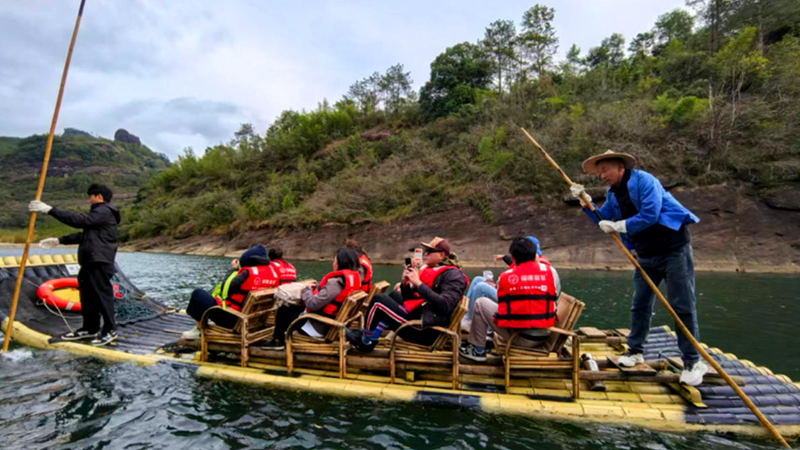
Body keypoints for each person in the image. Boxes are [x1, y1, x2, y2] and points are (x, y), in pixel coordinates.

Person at [570, 149, 706, 386]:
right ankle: (634, 351)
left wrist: (619, 225)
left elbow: (651, 214)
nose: (602, 176)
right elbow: (603, 219)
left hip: (674, 250)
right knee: (640, 304)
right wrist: (585, 203)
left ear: (620, 167)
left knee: (682, 305)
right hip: (645, 255)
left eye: (605, 170)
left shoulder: (645, 181)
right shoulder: (613, 193)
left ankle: (693, 361)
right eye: (599, 172)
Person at [28, 184, 121, 346]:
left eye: (90, 196)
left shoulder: (104, 211)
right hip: (89, 261)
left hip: (99, 260)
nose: (89, 200)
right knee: (87, 296)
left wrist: (50, 210)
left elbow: (78, 221)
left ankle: (110, 330)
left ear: (99, 196)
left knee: (102, 295)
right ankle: (90, 328)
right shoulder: (99, 216)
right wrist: (59, 240)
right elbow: (84, 235)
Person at [346, 237, 468, 351]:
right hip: (423, 316)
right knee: (394, 295)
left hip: (425, 330)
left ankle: (365, 342)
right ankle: (373, 336)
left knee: (378, 301)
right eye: (425, 251)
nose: (425, 254)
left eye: (430, 252)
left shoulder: (454, 276)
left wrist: (418, 284)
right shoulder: (437, 271)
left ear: (441, 255)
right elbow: (411, 299)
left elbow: (445, 305)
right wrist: (405, 284)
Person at [460, 237, 561, 362]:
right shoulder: (551, 272)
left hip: (519, 337)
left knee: (480, 303)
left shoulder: (506, 277)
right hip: (544, 334)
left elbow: (502, 304)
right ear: (535, 255)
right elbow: (555, 295)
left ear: (513, 258)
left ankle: (477, 350)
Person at [262, 247, 362, 350]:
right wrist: (318, 287)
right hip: (333, 325)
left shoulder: (335, 284)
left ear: (341, 263)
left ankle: (278, 341)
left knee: (284, 309)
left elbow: (312, 304)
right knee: (293, 309)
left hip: (319, 327)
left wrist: (306, 290)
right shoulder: (350, 281)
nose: (333, 263)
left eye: (334, 261)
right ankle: (281, 340)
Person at [182, 245, 279, 339]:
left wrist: (233, 269)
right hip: (253, 321)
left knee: (198, 293)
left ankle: (198, 330)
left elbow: (225, 289)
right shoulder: (273, 274)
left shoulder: (246, 273)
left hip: (233, 320)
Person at [462, 236, 547, 329]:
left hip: (517, 311)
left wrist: (495, 286)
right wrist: (496, 285)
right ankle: (466, 314)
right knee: (478, 279)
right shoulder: (545, 270)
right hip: (519, 304)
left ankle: (470, 321)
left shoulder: (527, 269)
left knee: (481, 287)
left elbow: (513, 290)